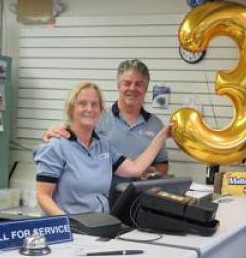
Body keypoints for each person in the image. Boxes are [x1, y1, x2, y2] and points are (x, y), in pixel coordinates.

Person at [34, 82, 171, 216]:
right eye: (82, 103)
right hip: (71, 230)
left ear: (100, 111)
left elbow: (136, 169)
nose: (89, 109)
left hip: (99, 228)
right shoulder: (56, 147)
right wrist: (67, 225)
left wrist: (162, 135)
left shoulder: (103, 147)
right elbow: (43, 196)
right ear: (71, 109)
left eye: (95, 104)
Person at [42, 59, 169, 177]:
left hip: (139, 196)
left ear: (146, 88)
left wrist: (151, 172)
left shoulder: (156, 125)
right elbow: (70, 138)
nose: (132, 88)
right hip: (99, 193)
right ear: (118, 86)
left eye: (138, 84)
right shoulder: (96, 117)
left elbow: (161, 164)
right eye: (127, 83)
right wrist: (53, 133)